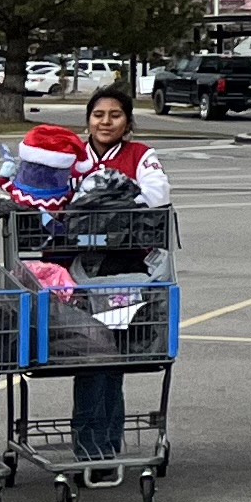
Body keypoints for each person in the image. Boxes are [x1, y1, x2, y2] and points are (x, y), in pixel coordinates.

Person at [57, 85, 172, 461]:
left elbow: (157, 193)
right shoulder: (70, 157)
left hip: (124, 271)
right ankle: (91, 449)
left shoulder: (140, 155)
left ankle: (106, 445)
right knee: (91, 357)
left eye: (115, 115)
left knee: (112, 359)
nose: (106, 122)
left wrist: (110, 203)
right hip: (76, 272)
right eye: (98, 115)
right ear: (88, 120)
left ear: (128, 121)